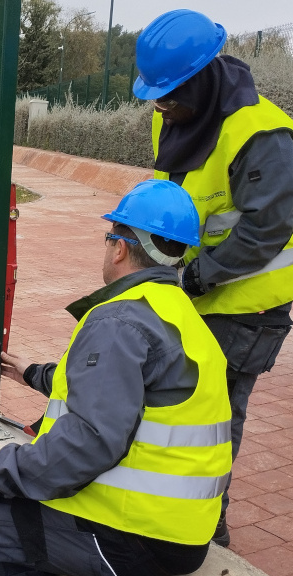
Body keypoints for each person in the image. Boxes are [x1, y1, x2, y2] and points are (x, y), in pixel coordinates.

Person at [0, 180, 232, 576]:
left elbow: (90, 438)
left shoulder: (119, 320)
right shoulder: (181, 316)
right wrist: (34, 374)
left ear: (120, 247)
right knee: (4, 502)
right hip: (181, 530)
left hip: (129, 533)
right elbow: (126, 392)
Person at [132, 9, 293, 546]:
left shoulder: (262, 133)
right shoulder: (175, 114)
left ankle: (207, 527)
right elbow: (177, 200)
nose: (162, 106)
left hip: (245, 308)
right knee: (172, 404)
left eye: (172, 93)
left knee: (216, 418)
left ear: (204, 76)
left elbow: (266, 230)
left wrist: (196, 277)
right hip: (191, 294)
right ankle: (165, 507)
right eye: (156, 95)